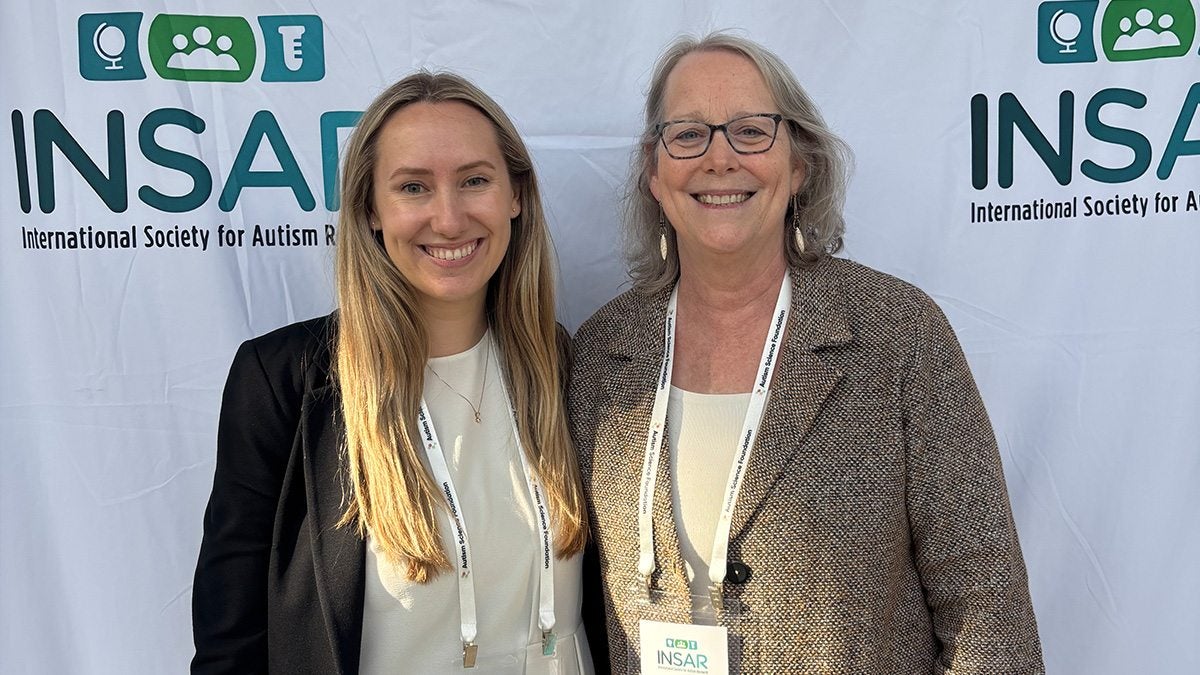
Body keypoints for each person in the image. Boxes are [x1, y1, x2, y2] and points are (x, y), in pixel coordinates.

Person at [569, 33, 1045, 674]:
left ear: (800, 165)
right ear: (654, 174)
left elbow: (988, 613)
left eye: (751, 131)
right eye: (687, 135)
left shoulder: (896, 335)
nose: (719, 158)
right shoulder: (602, 354)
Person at [192, 71, 599, 674]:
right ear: (371, 210)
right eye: (413, 187)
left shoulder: (562, 364)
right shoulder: (284, 383)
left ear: (515, 195)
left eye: (475, 181)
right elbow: (233, 639)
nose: (449, 217)